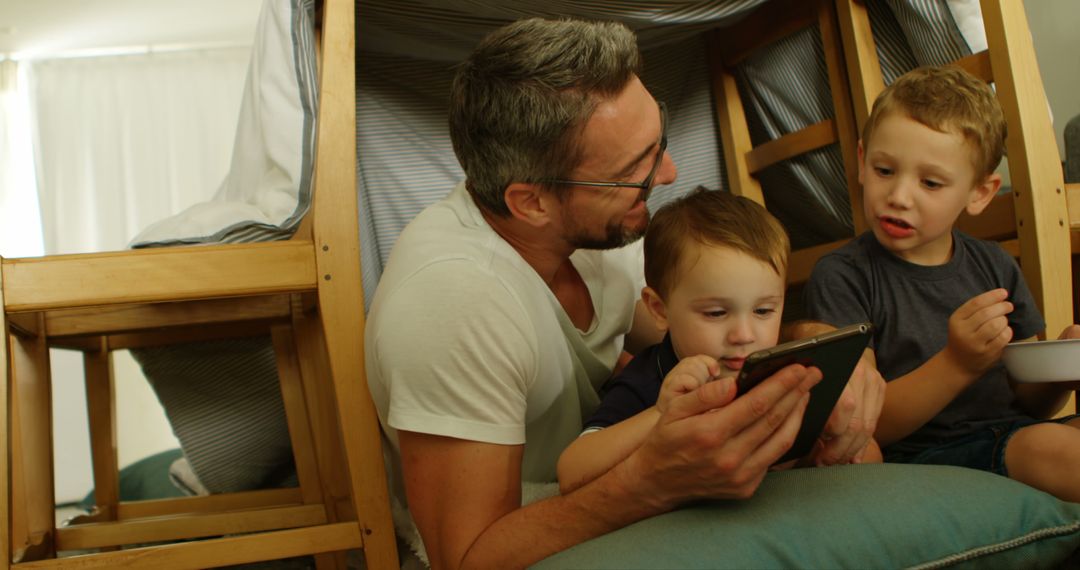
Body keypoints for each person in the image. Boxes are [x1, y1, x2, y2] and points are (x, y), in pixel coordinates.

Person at [365, 18, 885, 569]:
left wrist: (808, 347)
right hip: (531, 527)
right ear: (532, 203)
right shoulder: (453, 301)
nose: (668, 173)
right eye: (634, 170)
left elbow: (685, 329)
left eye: (658, 144)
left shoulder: (600, 229)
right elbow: (466, 558)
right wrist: (652, 484)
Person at [803, 65, 1080, 502]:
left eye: (930, 183)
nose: (899, 195)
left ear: (979, 193)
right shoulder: (843, 276)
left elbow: (1029, 405)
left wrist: (1062, 374)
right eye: (884, 170)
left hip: (1014, 433)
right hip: (927, 453)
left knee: (1054, 438)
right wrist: (957, 363)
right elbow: (867, 425)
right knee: (1050, 448)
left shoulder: (995, 265)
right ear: (861, 161)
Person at [557, 189, 882, 492]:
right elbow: (571, 471)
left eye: (764, 310)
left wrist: (825, 453)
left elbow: (870, 456)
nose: (744, 335)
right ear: (659, 309)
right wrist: (661, 413)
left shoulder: (784, 369)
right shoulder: (651, 380)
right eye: (715, 313)